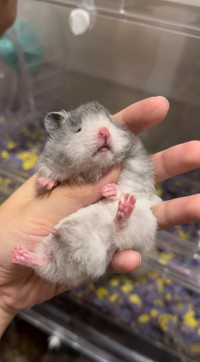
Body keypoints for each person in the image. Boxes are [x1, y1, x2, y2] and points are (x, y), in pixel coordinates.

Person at [0, 1, 200, 338]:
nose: (104, 131)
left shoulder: (129, 156)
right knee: (74, 247)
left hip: (117, 218)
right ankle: (46, 260)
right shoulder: (57, 157)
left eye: (106, 125)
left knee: (134, 222)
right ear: (59, 133)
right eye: (80, 130)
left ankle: (119, 221)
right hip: (78, 238)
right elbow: (49, 167)